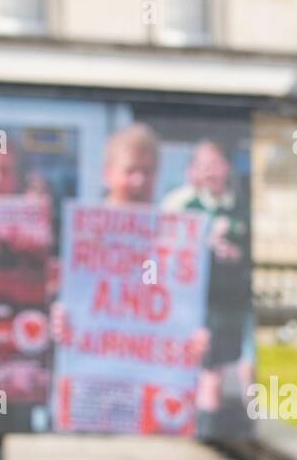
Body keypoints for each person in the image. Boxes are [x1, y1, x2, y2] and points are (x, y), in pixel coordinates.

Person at [161, 140, 253, 434]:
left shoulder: (244, 206)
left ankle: (229, 432)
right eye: (203, 165)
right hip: (192, 305)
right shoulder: (180, 203)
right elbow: (163, 249)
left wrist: (238, 256)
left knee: (234, 366)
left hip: (233, 304)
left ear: (227, 167)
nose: (209, 172)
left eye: (215, 164)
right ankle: (199, 430)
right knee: (201, 369)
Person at [101, 123, 159, 206]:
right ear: (107, 174)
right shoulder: (86, 218)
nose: (139, 181)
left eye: (147, 172)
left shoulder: (168, 217)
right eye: (130, 171)